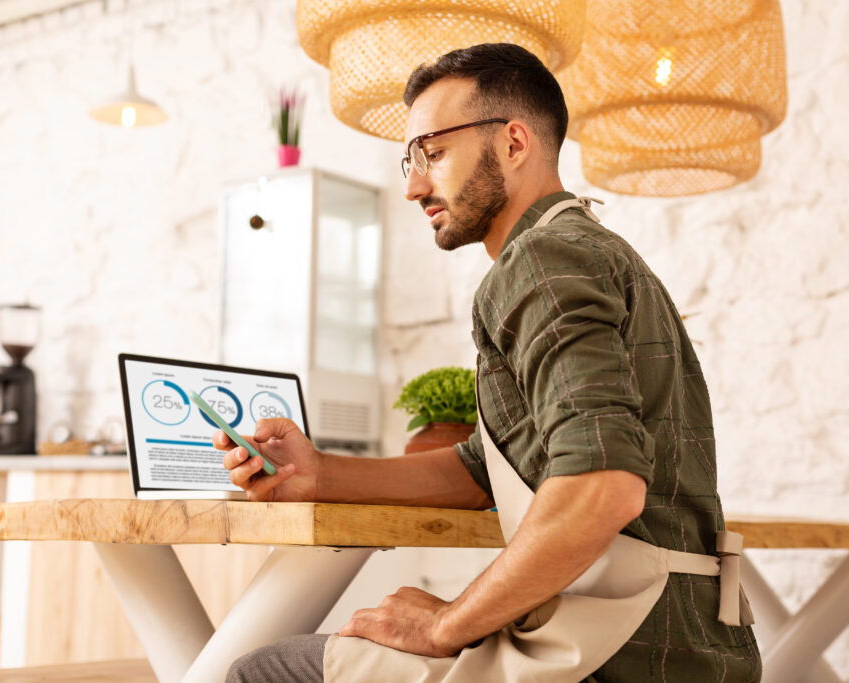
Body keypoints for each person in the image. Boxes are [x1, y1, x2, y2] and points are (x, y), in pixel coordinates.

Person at [222, 43, 760, 682]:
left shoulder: (542, 260)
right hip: (690, 648)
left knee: (265, 670)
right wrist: (321, 474)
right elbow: (484, 469)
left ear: (513, 143)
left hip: (621, 656)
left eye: (434, 152)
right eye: (410, 160)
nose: (413, 185)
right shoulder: (591, 251)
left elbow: (602, 484)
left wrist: (447, 625)